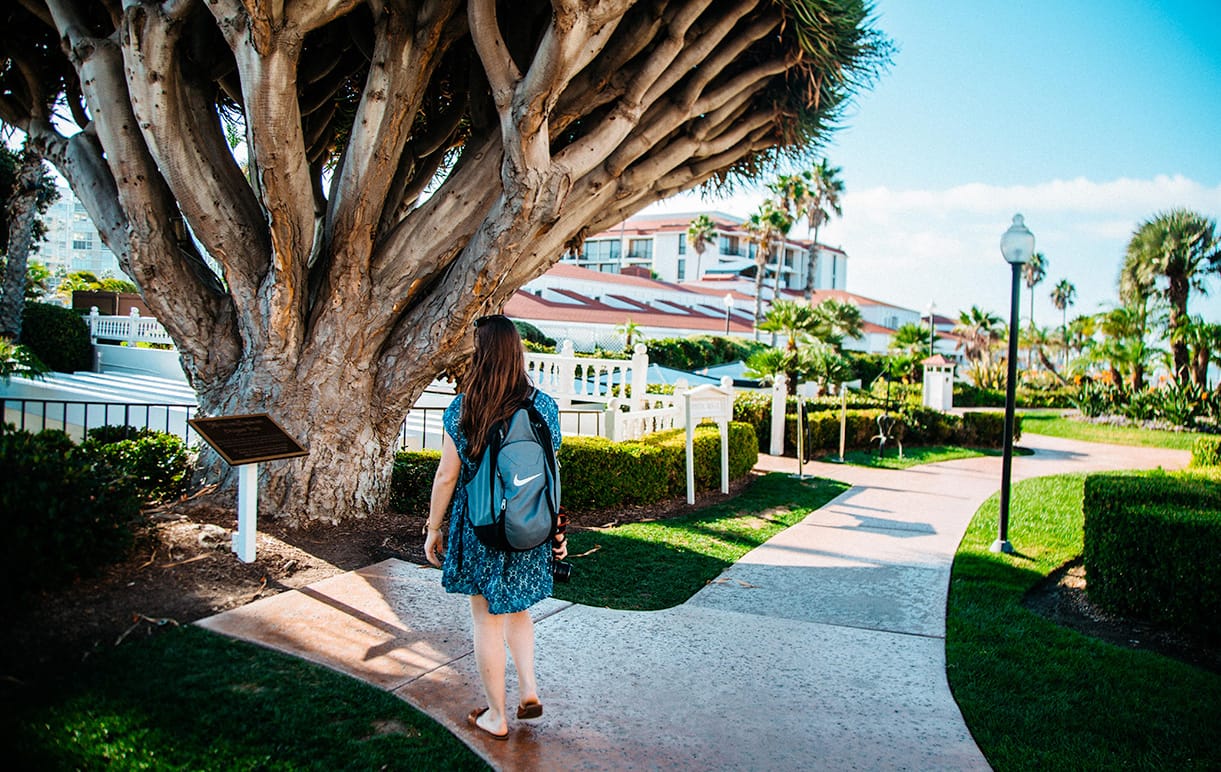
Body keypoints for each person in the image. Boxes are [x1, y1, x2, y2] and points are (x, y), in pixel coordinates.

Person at [423, 314, 567, 741]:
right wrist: (556, 530)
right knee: (518, 609)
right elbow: (547, 472)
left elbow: (447, 477)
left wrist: (434, 528)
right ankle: (529, 690)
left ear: (481, 354)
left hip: (482, 529)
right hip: (529, 526)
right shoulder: (544, 407)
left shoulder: (465, 407)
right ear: (517, 353)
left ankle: (496, 717)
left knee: (486, 619)